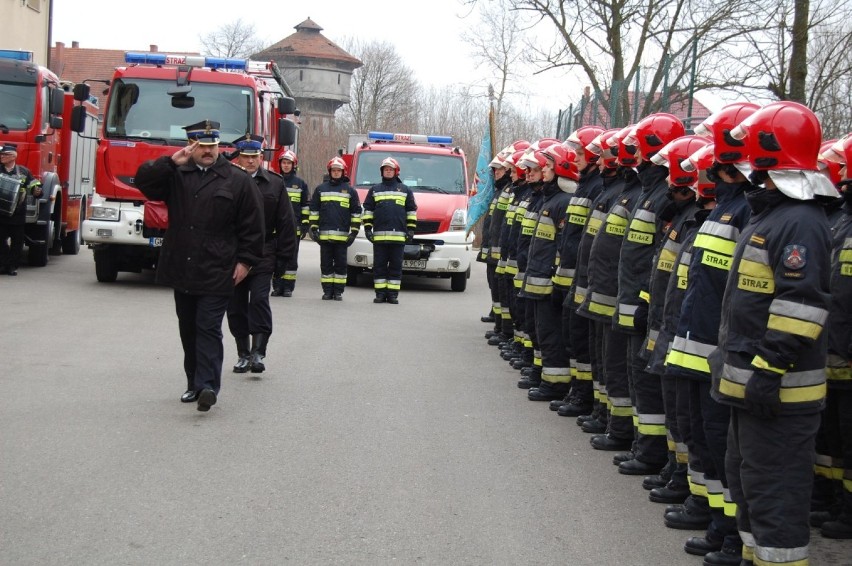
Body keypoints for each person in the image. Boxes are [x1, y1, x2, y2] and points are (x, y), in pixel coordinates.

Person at [710, 101, 838, 565]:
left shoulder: (799, 221)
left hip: (778, 393)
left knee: (775, 494)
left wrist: (768, 369)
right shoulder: (773, 215)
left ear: (772, 152)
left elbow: (800, 309)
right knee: (750, 484)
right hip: (752, 386)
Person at [135, 120, 264, 412]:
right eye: (201, 147)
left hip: (218, 266)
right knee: (189, 328)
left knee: (208, 327)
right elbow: (144, 182)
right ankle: (193, 383)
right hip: (182, 264)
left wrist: (245, 262)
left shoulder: (237, 179)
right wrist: (170, 162)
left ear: (219, 146)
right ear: (191, 147)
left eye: (212, 146)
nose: (207, 152)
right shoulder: (176, 174)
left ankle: (208, 386)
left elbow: (253, 226)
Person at [226, 135, 297, 374]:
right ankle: (242, 353)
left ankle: (258, 352)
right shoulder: (228, 181)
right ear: (239, 158)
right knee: (236, 305)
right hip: (234, 253)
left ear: (261, 157)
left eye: (254, 157)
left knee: (258, 299)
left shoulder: (275, 184)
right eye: (245, 157)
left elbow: (287, 223)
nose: (249, 162)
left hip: (264, 251)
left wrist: (284, 259)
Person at [362, 157, 417, 304]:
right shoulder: (374, 190)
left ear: (396, 172)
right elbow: (368, 211)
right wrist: (368, 229)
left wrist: (411, 230)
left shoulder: (405, 190)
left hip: (398, 238)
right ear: (382, 172)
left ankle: (392, 295)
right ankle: (380, 294)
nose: (388, 171)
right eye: (385, 169)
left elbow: (411, 211)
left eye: (390, 169)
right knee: (379, 266)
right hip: (379, 238)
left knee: (395, 267)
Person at [309, 156, 361, 301]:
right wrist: (313, 229)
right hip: (324, 238)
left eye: (339, 170)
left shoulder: (350, 191)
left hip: (343, 239)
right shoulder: (320, 189)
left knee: (340, 266)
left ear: (343, 172)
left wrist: (354, 232)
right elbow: (314, 211)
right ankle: (327, 291)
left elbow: (356, 213)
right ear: (329, 171)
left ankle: (338, 292)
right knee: (325, 266)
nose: (336, 173)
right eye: (334, 170)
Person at [271, 150, 309, 297]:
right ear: (280, 164)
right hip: (276, 228)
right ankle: (277, 286)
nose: (286, 166)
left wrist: (305, 224)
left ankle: (288, 288)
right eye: (284, 163)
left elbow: (305, 206)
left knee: (291, 258)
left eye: (289, 163)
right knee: (275, 257)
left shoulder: (300, 184)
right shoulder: (274, 180)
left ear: (294, 165)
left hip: (294, 229)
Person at [0, 143, 42, 275]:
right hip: (0, 214)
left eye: (5, 155)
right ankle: (3, 264)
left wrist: (37, 191)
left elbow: (35, 185)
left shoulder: (23, 172)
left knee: (17, 243)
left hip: (16, 213)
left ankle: (12, 266)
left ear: (13, 157)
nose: (2, 157)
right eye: (1, 154)